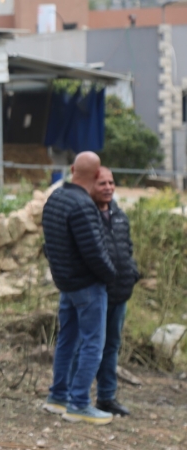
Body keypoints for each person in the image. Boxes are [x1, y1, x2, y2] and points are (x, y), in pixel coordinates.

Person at [42, 151, 117, 425]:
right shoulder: (84, 206)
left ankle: (58, 396)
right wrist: (111, 276)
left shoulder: (55, 198)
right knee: (92, 344)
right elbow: (94, 253)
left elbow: (48, 245)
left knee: (67, 339)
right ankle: (79, 404)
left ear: (72, 169)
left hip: (66, 283)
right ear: (97, 175)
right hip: (86, 285)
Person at [67, 167, 138, 417]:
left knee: (111, 346)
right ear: (91, 187)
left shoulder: (119, 215)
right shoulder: (84, 216)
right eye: (102, 184)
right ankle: (74, 397)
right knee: (85, 346)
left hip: (120, 292)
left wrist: (132, 272)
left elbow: (127, 248)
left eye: (111, 182)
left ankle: (106, 397)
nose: (108, 187)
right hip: (94, 293)